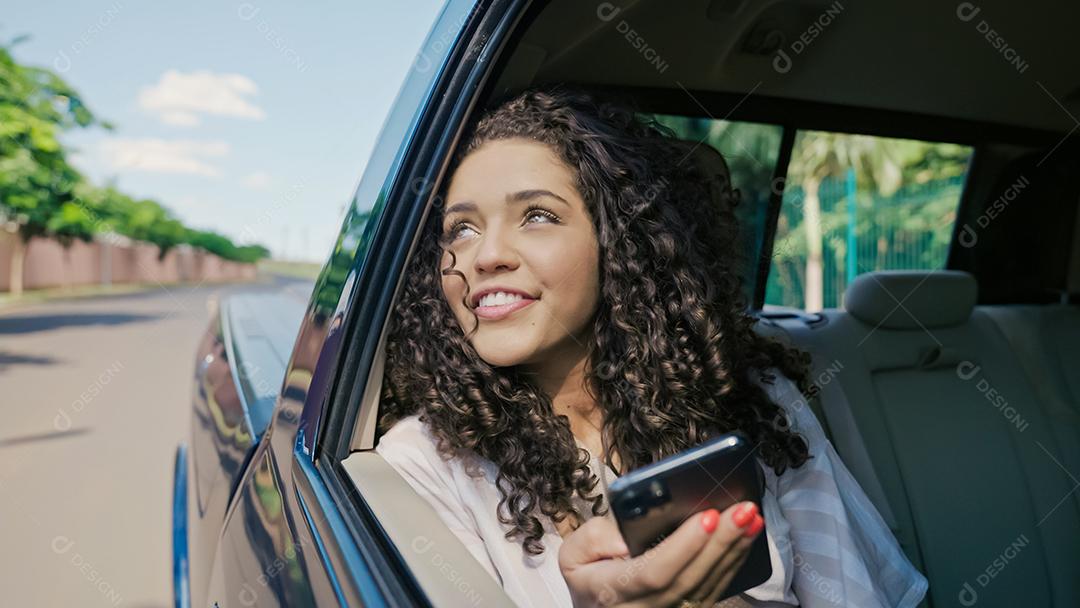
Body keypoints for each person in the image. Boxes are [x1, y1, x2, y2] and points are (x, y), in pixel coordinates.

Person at [375, 85, 928, 607]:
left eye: (537, 216)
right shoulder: (422, 463)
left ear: (618, 244)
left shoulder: (755, 399)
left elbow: (852, 593)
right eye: (461, 229)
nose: (485, 254)